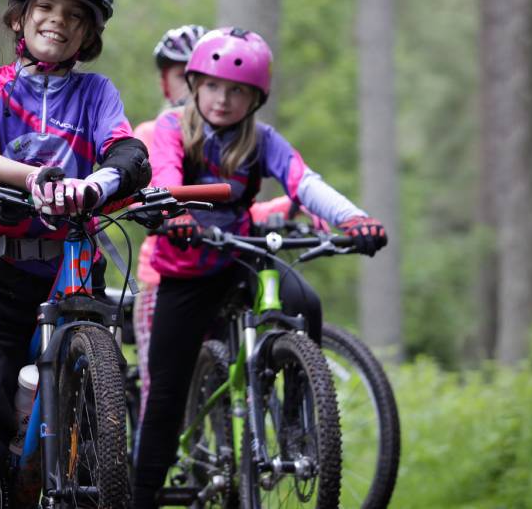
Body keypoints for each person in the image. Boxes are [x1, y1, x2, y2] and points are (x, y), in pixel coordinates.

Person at [130, 27, 388, 509]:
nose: (223, 100)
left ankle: (295, 421)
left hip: (237, 257)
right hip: (183, 272)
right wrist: (174, 213)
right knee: (165, 392)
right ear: (194, 84)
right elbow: (163, 177)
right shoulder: (171, 129)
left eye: (237, 91)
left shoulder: (262, 140)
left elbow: (303, 183)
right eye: (212, 87)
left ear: (255, 98)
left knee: (304, 300)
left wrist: (354, 218)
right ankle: (142, 496)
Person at [0, 0, 151, 496]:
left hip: (73, 272)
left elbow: (130, 155)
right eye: (45, 6)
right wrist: (29, 178)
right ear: (18, 19)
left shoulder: (96, 93)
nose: (59, 19)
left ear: (88, 36)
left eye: (75, 15)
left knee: (93, 440)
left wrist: (94, 185)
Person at [131, 23, 206, 431]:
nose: (194, 90)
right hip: (163, 280)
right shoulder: (150, 134)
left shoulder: (229, 143)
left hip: (218, 272)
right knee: (158, 392)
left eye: (202, 79)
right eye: (183, 76)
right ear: (166, 83)